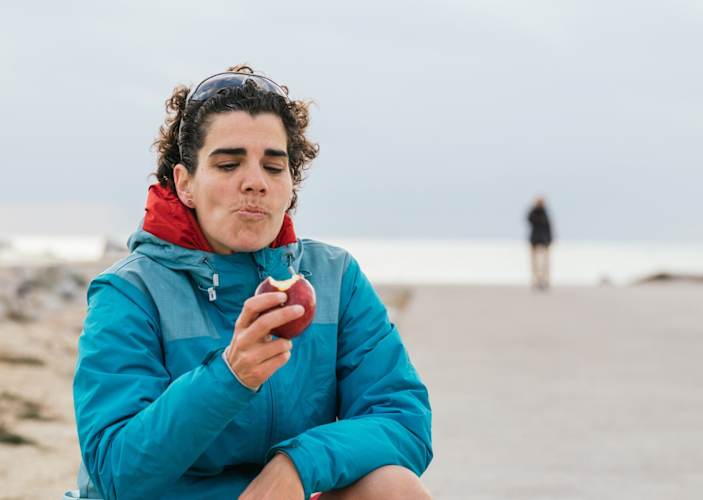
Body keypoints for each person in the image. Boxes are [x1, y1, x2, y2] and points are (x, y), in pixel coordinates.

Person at [71, 65, 433, 500]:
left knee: (394, 487)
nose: (255, 183)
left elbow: (403, 419)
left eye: (274, 167)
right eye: (228, 164)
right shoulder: (131, 292)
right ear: (185, 184)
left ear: (289, 186)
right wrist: (229, 376)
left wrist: (298, 464)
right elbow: (116, 473)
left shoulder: (335, 277)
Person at [526, 196, 553, 290]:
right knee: (535, 263)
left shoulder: (545, 214)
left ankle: (544, 280)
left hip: (544, 241)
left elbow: (549, 228)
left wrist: (550, 240)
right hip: (534, 241)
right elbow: (529, 219)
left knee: (544, 263)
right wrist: (535, 209)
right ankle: (536, 281)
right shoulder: (534, 213)